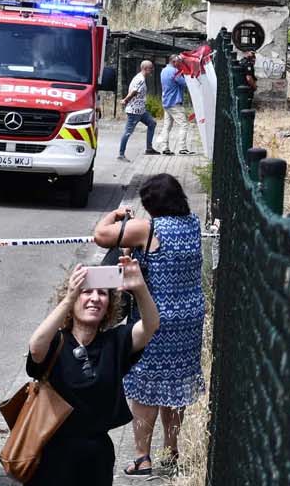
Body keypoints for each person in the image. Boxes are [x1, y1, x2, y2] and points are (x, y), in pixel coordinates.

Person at [92, 175, 205, 479]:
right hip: (190, 316)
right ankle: (171, 452)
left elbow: (102, 236)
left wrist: (115, 215)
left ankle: (142, 458)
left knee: (145, 388)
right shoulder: (192, 223)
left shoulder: (148, 228)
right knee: (175, 385)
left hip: (155, 318)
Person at [23, 255, 157, 486]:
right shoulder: (56, 342)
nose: (95, 298)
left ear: (109, 306)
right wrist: (68, 298)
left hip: (96, 458)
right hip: (51, 454)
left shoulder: (115, 342)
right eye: (87, 292)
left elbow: (150, 326)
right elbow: (35, 347)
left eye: (102, 293)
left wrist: (140, 288)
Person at [118, 60, 157, 161]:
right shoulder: (140, 79)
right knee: (128, 132)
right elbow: (134, 92)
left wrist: (125, 100)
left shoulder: (140, 77)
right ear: (145, 68)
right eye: (151, 68)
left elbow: (133, 91)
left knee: (152, 123)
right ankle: (121, 154)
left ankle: (149, 148)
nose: (152, 70)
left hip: (141, 110)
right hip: (135, 111)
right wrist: (126, 100)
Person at [157, 55, 189, 155]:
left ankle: (164, 147)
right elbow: (184, 83)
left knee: (167, 126)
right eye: (179, 62)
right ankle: (182, 148)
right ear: (174, 62)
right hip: (174, 102)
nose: (180, 64)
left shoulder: (163, 70)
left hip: (166, 102)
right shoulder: (175, 72)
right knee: (184, 125)